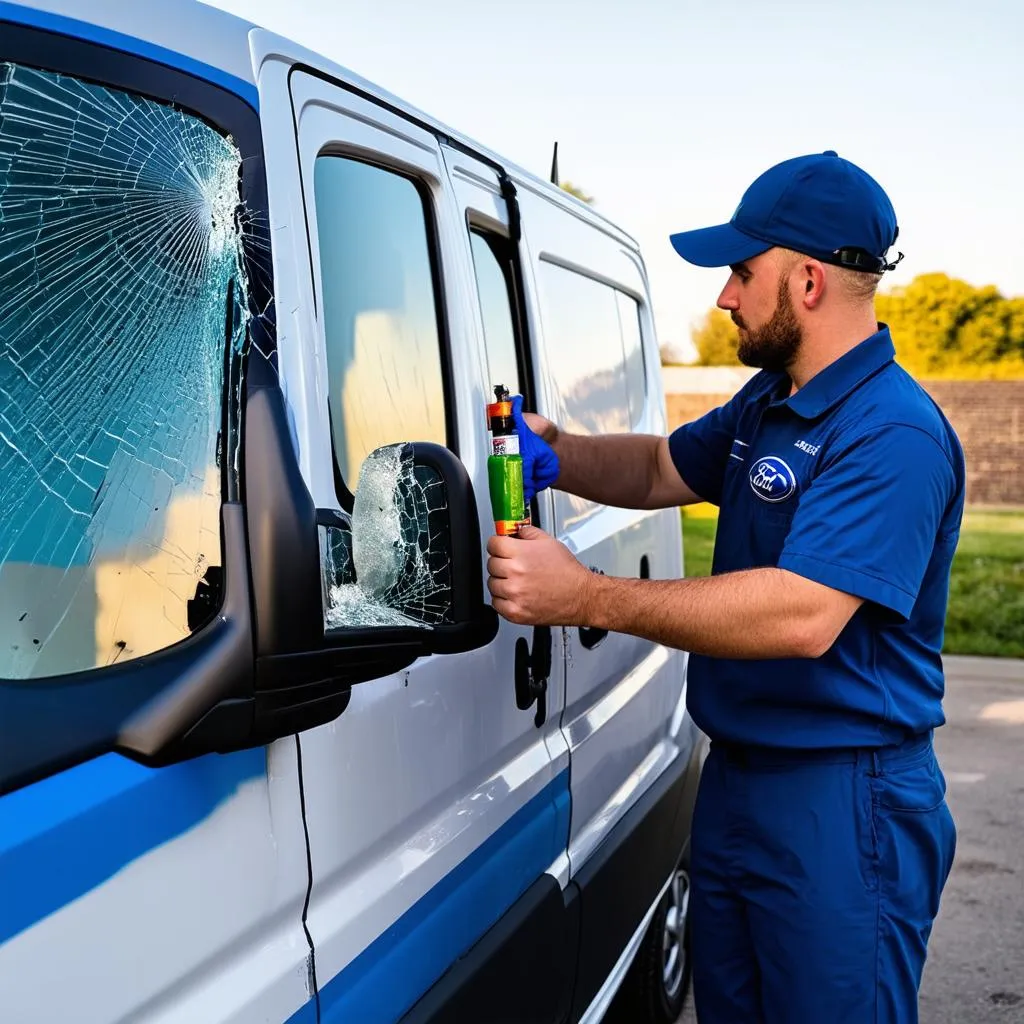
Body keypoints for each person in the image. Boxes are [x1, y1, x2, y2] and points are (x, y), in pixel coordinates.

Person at [487, 150, 963, 1023]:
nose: (724, 295)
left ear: (808, 280)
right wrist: (558, 450)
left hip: (843, 799)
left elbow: (803, 613)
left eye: (743, 272)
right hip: (744, 778)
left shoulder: (892, 431)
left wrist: (587, 596)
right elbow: (662, 465)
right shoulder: (770, 400)